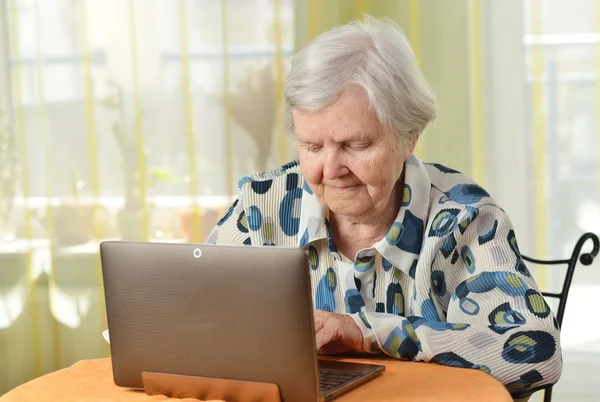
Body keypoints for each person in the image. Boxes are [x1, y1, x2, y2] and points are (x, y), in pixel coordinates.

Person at [207, 16, 561, 399]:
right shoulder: (263, 205)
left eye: (355, 146)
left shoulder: (465, 219)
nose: (331, 170)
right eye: (312, 147)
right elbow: (188, 320)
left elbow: (537, 353)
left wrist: (369, 333)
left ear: (410, 136)